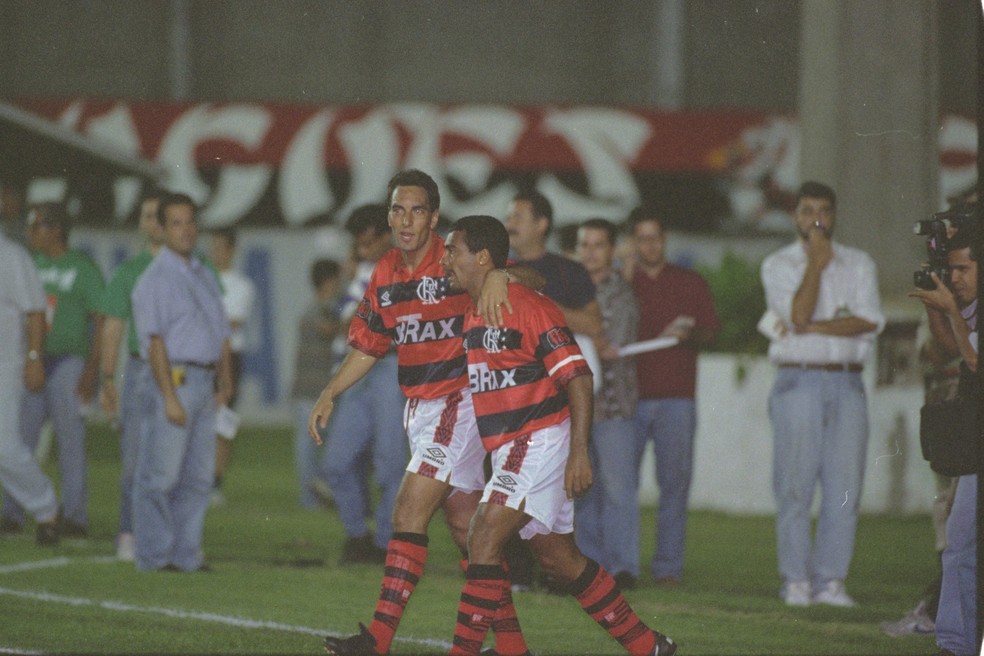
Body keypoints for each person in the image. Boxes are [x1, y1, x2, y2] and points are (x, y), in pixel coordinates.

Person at [310, 169, 541, 656]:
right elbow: (370, 344)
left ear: (434, 216)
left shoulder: (455, 257)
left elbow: (535, 279)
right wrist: (330, 390)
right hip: (420, 408)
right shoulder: (386, 271)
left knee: (408, 509)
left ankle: (377, 640)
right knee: (467, 532)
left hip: (459, 401)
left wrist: (500, 272)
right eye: (398, 209)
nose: (406, 219)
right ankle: (515, 649)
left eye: (417, 210)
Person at [440, 214, 676, 656]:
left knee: (483, 537)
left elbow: (579, 377)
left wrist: (579, 453)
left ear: (483, 257)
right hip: (515, 447)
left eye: (452, 250)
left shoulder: (527, 306)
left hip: (539, 441)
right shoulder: (473, 308)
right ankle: (650, 647)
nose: (445, 258)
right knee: (558, 560)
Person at [760, 181, 885, 606]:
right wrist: (815, 264)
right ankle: (796, 579)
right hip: (799, 380)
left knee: (845, 485)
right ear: (795, 216)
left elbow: (868, 320)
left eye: (824, 211)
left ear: (834, 216)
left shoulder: (859, 263)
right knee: (795, 484)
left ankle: (831, 580)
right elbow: (796, 314)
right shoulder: (779, 264)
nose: (816, 219)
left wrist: (814, 327)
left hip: (848, 380)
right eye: (807, 210)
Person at [503, 189, 604, 591]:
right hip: (510, 399)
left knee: (564, 489)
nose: (511, 224)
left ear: (542, 223)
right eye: (509, 217)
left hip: (557, 397)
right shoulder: (494, 269)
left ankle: (563, 572)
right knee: (507, 484)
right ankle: (517, 572)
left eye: (519, 216)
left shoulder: (567, 272)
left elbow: (594, 325)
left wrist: (537, 306)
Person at [130, 192, 233, 572]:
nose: (186, 229)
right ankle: (155, 557)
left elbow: (220, 331)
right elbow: (154, 341)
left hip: (204, 382)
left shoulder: (203, 273)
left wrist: (225, 380)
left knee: (197, 477)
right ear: (160, 228)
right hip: (175, 378)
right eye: (176, 222)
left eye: (191, 221)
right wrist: (168, 395)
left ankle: (185, 555)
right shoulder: (154, 278)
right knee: (161, 475)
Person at [625, 207, 719, 586]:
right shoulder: (621, 283)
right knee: (620, 487)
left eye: (655, 237)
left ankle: (667, 567)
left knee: (675, 487)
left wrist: (688, 335)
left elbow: (710, 332)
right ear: (634, 242)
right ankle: (622, 564)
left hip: (678, 397)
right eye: (642, 238)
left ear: (664, 239)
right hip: (629, 399)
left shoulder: (690, 282)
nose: (649, 244)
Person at [1, 203, 104, 538]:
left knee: (68, 440)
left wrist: (91, 370)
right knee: (19, 440)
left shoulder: (81, 267)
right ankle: (13, 512)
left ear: (56, 229)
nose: (31, 234)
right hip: (34, 359)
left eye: (37, 227)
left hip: (64, 360)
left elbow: (99, 320)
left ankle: (73, 515)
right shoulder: (30, 262)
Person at [322, 204, 407, 562]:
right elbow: (345, 320)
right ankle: (358, 534)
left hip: (390, 369)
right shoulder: (363, 273)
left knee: (390, 465)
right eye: (358, 243)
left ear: (386, 237)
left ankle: (385, 543)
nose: (362, 248)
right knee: (335, 464)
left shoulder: (406, 271)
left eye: (369, 241)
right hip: (359, 370)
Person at [909, 220, 978, 656]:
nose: (956, 278)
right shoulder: (970, 306)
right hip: (977, 449)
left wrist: (950, 308)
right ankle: (955, 642)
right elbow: (948, 344)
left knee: (962, 542)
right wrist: (939, 302)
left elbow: (974, 360)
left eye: (963, 269)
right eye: (950, 269)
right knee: (959, 543)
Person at [572, 218, 641, 590]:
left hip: (613, 405)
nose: (590, 252)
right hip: (578, 408)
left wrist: (578, 323)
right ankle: (589, 568)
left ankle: (623, 567)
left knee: (617, 488)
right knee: (582, 489)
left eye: (598, 245)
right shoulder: (570, 287)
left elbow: (609, 342)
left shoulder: (621, 292)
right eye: (585, 244)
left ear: (611, 251)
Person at [98, 190, 164, 560]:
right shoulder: (129, 271)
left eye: (157, 215)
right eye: (145, 215)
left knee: (177, 464)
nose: (150, 222)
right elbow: (113, 327)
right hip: (141, 369)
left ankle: (165, 536)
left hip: (181, 369)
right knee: (135, 460)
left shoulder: (193, 267)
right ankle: (128, 532)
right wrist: (109, 379)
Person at [0, 226, 60, 546]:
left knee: (4, 447)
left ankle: (46, 506)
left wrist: (34, 357)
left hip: (5, 364)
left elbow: (35, 311)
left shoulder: (11, 255)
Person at [209, 227, 256, 505]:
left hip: (229, 357)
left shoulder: (241, 285)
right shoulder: (201, 277)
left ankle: (215, 480)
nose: (215, 252)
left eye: (220, 247)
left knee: (223, 420)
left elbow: (233, 322)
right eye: (213, 246)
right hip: (201, 355)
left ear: (232, 250)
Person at [291, 258, 342, 509]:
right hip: (313, 389)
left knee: (313, 445)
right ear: (330, 281)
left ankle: (313, 496)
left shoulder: (310, 309)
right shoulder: (323, 310)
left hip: (309, 389)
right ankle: (311, 498)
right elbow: (329, 330)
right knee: (310, 445)